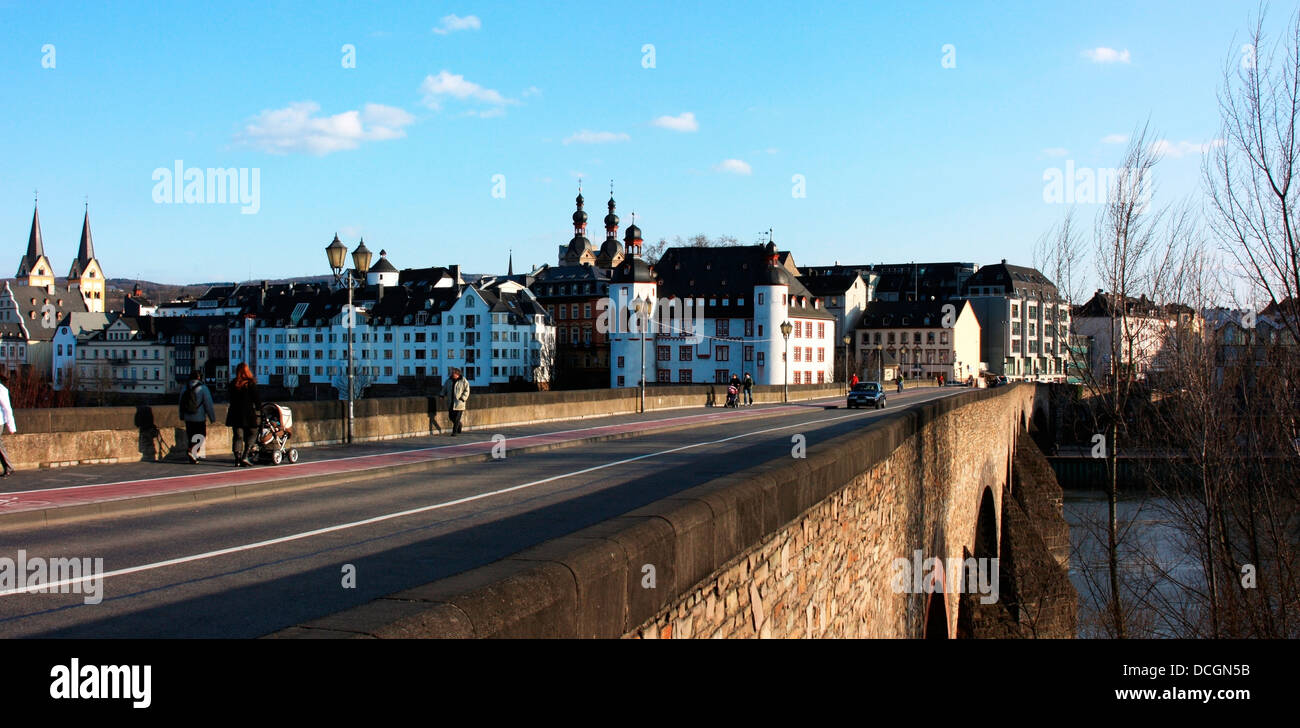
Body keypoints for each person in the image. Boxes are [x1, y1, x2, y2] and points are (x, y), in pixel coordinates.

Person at [226, 362, 262, 467]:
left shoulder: (233, 383)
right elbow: (257, 400)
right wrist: (259, 409)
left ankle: (237, 459)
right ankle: (245, 455)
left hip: (235, 414)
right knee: (253, 433)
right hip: (248, 414)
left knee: (238, 436)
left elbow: (230, 398)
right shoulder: (250, 384)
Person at [178, 370, 216, 464]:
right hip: (199, 417)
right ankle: (192, 451)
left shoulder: (185, 388)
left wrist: (181, 415)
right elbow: (208, 404)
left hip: (188, 416)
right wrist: (212, 418)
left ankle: (193, 456)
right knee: (201, 435)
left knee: (191, 436)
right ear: (199, 377)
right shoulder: (203, 388)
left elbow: (181, 403)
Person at [440, 368, 470, 435]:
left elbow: (467, 390)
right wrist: (442, 395)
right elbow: (444, 388)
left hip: (459, 403)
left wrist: (463, 398)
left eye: (453, 373)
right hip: (451, 402)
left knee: (457, 418)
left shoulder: (463, 381)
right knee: (451, 417)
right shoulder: (448, 380)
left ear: (457, 374)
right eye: (452, 373)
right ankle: (459, 425)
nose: (452, 374)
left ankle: (454, 432)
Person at [0, 373, 15, 477]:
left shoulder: (1, 390)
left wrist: (11, 426)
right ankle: (8, 467)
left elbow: (7, 408)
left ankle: (8, 467)